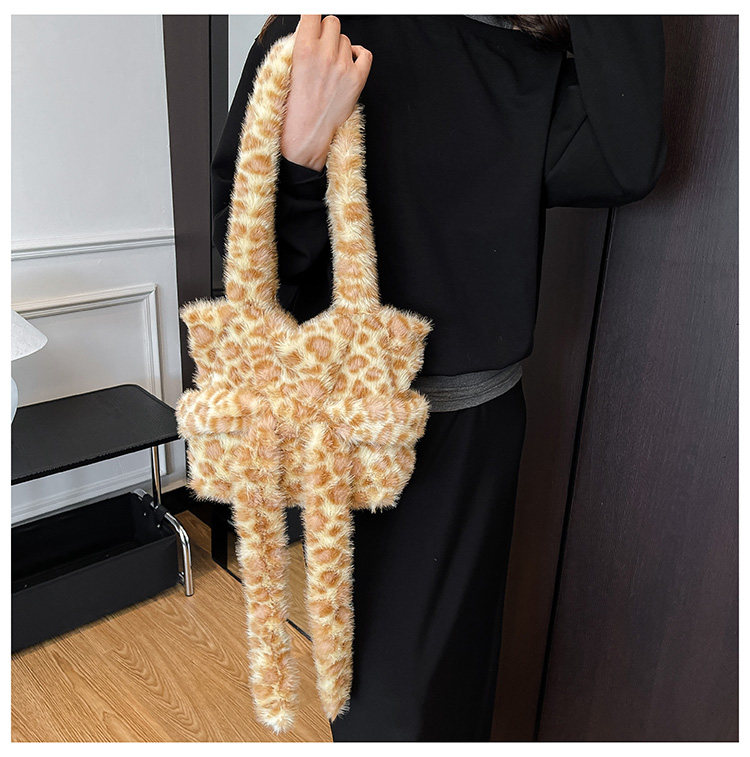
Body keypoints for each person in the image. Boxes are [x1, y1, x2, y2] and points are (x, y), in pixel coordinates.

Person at [211, 14, 667, 742]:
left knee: (455, 682)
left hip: (480, 427)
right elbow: (250, 286)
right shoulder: (320, 40)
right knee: (385, 706)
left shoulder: (515, 56)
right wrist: (300, 152)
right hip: (352, 433)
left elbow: (623, 161)